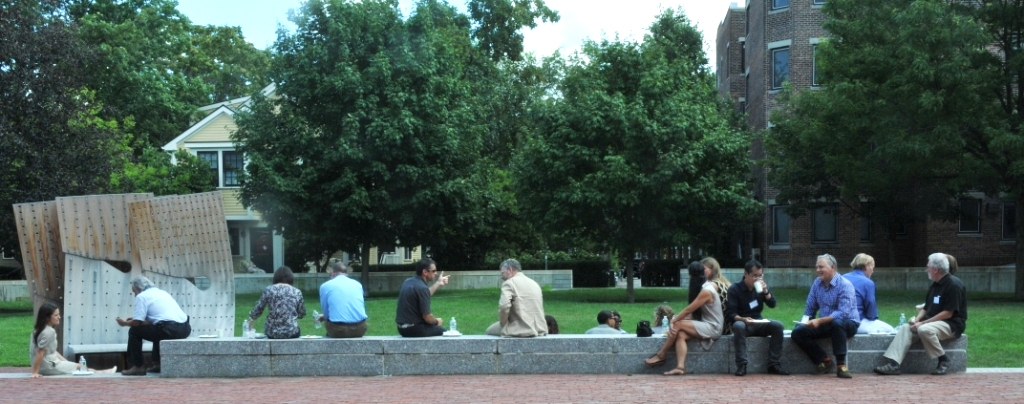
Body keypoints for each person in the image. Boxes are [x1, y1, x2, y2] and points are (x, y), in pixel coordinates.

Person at [874, 253, 967, 376]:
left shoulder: (954, 285)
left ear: (935, 269)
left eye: (928, 267)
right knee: (906, 328)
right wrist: (916, 319)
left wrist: (922, 323)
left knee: (924, 329)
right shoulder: (935, 284)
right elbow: (926, 308)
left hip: (952, 324)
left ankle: (943, 360)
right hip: (932, 322)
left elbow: (948, 313)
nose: (926, 269)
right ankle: (893, 365)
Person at [643, 261, 726, 376]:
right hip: (707, 325)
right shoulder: (703, 287)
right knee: (681, 334)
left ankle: (661, 355)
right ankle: (680, 367)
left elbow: (688, 310)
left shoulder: (707, 290)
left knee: (678, 325)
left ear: (690, 276)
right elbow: (693, 312)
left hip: (713, 327)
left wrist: (674, 320)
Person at [791, 254, 860, 378]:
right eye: (817, 267)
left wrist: (819, 320)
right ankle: (824, 361)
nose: (818, 270)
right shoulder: (817, 283)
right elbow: (810, 307)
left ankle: (841, 366)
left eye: (821, 267)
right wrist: (804, 322)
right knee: (798, 332)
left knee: (837, 322)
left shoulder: (845, 284)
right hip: (826, 323)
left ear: (832, 267)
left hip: (848, 323)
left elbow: (843, 313)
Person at [116, 276, 191, 376]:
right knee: (157, 329)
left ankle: (137, 366)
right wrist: (135, 320)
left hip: (168, 329)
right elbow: (157, 319)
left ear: (138, 288)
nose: (135, 295)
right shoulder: (162, 293)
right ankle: (159, 364)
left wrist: (124, 323)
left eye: (134, 292)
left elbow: (137, 324)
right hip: (184, 328)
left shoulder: (141, 296)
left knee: (134, 331)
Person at [725, 259, 789, 376]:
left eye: (760, 276)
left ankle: (774, 364)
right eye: (754, 276)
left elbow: (772, 304)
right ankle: (742, 365)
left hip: (758, 322)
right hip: (744, 323)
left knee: (778, 325)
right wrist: (743, 319)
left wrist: (766, 292)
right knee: (738, 326)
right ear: (746, 274)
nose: (758, 279)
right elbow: (730, 314)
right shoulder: (735, 289)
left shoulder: (761, 287)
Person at [30, 302, 115, 377]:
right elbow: (40, 351)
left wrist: (66, 362)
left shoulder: (39, 330)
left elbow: (51, 351)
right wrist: (35, 372)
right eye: (56, 315)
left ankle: (102, 372)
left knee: (76, 366)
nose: (59, 317)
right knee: (80, 367)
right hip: (49, 366)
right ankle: (103, 373)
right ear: (47, 318)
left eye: (59, 314)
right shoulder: (49, 332)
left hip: (46, 364)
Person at [485, 259, 548, 337]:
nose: (501, 277)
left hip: (520, 328)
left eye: (502, 273)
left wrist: (503, 323)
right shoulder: (534, 284)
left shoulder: (509, 283)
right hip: (539, 328)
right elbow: (513, 299)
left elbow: (504, 306)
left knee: (489, 331)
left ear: (510, 270)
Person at [395, 258, 450, 337]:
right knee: (445, 333)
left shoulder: (408, 281)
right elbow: (427, 317)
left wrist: (439, 283)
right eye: (433, 271)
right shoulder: (422, 288)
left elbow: (425, 294)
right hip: (413, 329)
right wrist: (437, 322)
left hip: (401, 328)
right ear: (425, 272)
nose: (436, 273)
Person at [248, 266, 305, 339]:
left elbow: (258, 310)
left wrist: (251, 317)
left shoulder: (269, 290)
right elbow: (301, 314)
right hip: (291, 331)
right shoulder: (297, 292)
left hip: (272, 332)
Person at [844, 253, 894, 334]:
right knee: (891, 330)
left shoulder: (842, 278)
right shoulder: (868, 282)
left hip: (839, 321)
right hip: (857, 322)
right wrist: (872, 318)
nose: (872, 270)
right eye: (872, 266)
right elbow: (870, 305)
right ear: (866, 266)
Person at [318, 261, 368, 338]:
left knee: (328, 324)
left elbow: (327, 315)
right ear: (346, 274)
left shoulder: (325, 286)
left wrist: (324, 316)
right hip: (360, 328)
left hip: (339, 329)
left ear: (333, 272)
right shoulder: (358, 285)